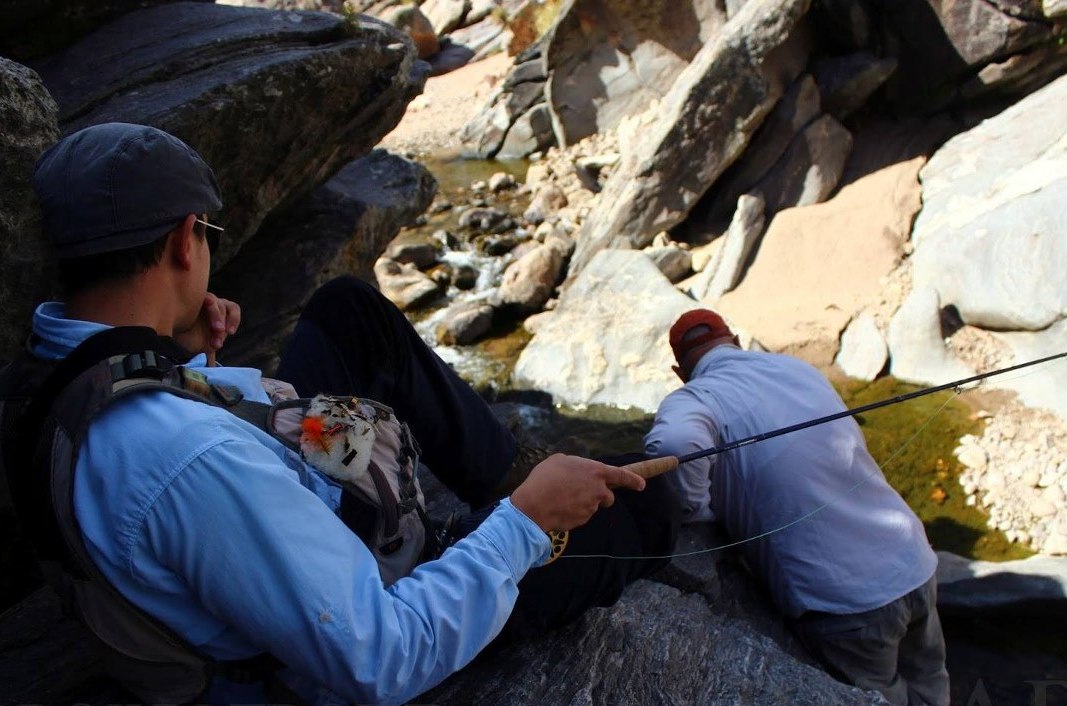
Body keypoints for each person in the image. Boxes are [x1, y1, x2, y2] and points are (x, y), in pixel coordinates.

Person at [5, 122, 677, 704]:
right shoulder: (192, 457)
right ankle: (510, 505)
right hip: (321, 639)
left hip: (269, 527)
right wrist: (525, 524)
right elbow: (382, 660)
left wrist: (188, 362)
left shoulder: (57, 360)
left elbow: (181, 475)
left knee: (348, 311)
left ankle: (506, 478)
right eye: (209, 233)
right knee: (638, 504)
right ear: (186, 240)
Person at [644, 309, 949, 706]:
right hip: (914, 561)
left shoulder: (695, 397)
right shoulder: (795, 369)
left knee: (882, 698)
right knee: (930, 680)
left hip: (845, 601)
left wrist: (698, 508)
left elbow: (673, 445)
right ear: (735, 341)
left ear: (679, 370)